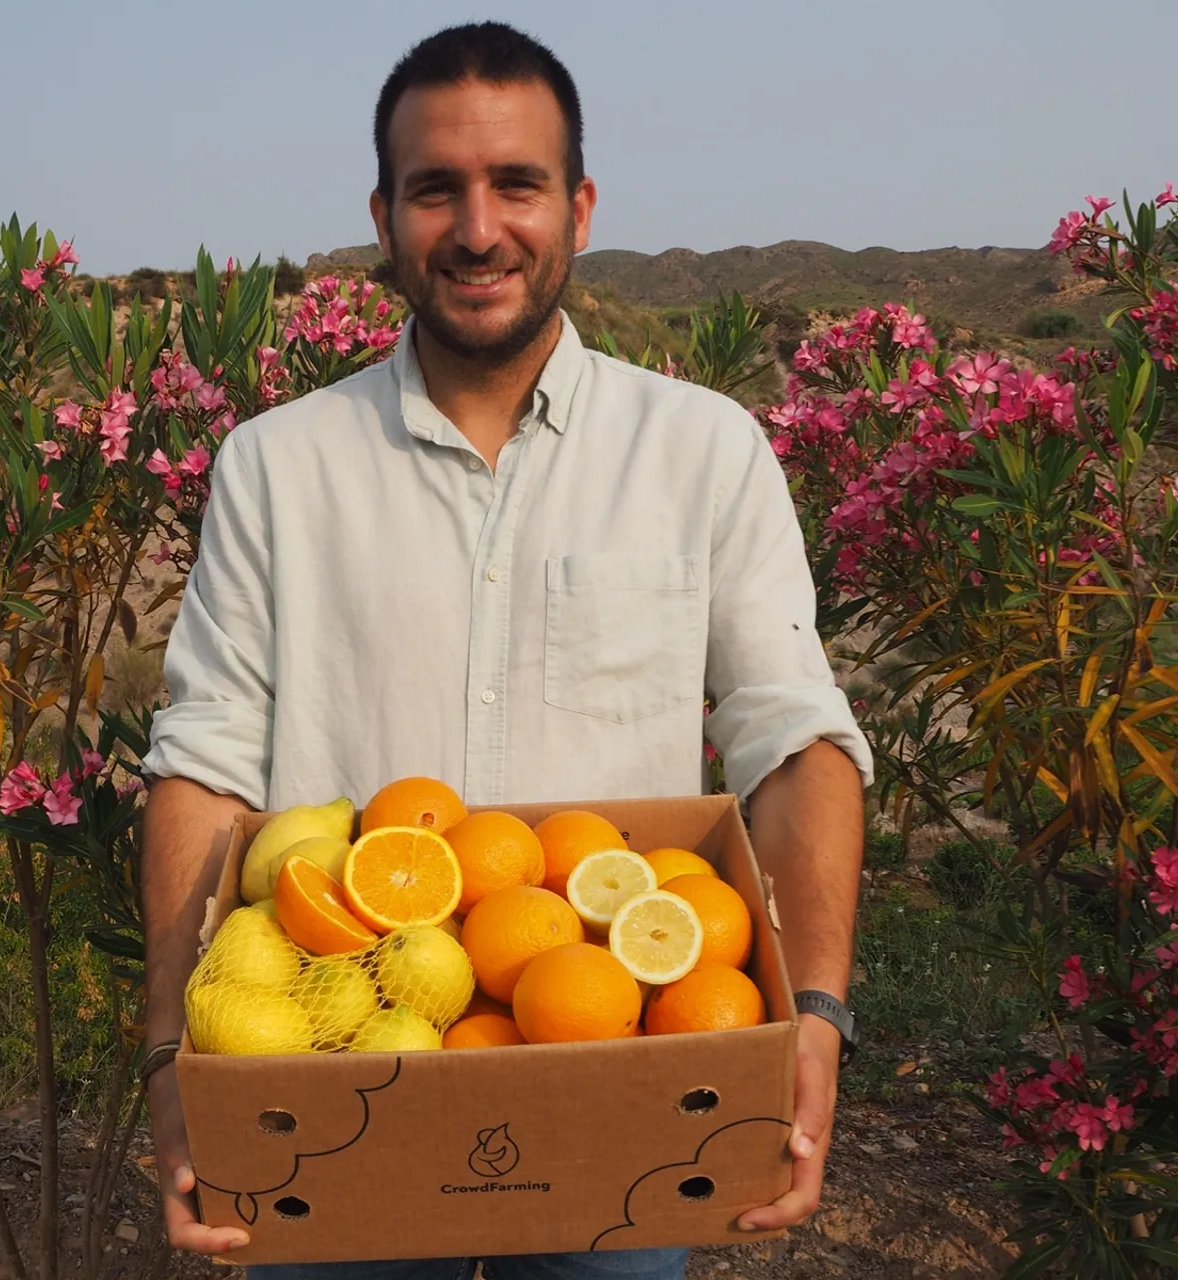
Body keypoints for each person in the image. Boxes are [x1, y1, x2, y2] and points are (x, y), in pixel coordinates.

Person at [136, 20, 872, 1280]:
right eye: (437, 188)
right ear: (385, 214)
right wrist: (171, 1057)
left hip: (618, 1074)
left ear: (579, 205)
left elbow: (792, 736)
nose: (479, 229)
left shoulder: (701, 452)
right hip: (347, 1076)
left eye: (517, 183)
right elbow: (205, 759)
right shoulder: (278, 466)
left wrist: (814, 1014)